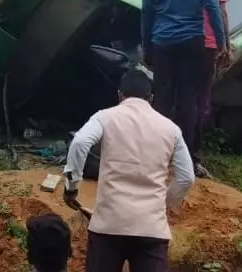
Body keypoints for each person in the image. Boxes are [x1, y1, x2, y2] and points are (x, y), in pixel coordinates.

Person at [64, 70, 194, 272]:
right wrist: (163, 204)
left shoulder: (105, 117)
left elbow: (80, 142)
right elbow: (186, 178)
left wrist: (71, 188)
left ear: (119, 95)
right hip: (151, 229)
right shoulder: (171, 129)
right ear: (151, 98)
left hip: (108, 225)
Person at [140, 0, 225, 166]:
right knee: (188, 99)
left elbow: (147, 9)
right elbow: (212, 4)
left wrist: (147, 45)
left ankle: (157, 155)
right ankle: (183, 157)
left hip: (163, 41)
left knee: (162, 99)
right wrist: (220, 40)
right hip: (192, 40)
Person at [193, 0, 230, 178]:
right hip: (205, 43)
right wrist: (224, 43)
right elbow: (220, 10)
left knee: (180, 98)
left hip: (179, 40)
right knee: (201, 102)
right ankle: (192, 157)